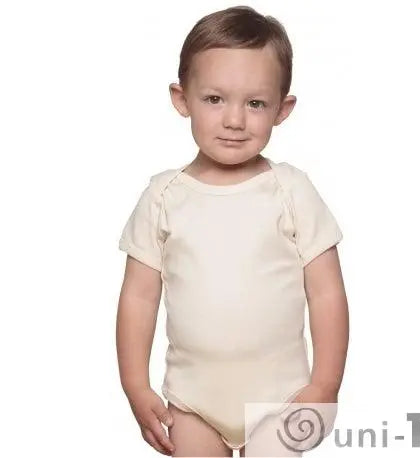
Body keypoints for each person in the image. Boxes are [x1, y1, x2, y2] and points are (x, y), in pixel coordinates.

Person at [116, 5, 349, 457]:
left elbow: (327, 293)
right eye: (214, 99)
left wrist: (325, 384)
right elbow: (138, 298)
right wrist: (134, 385)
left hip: (281, 398)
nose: (235, 120)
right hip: (193, 402)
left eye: (255, 103)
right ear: (182, 99)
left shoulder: (291, 190)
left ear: (282, 109)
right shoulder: (163, 197)